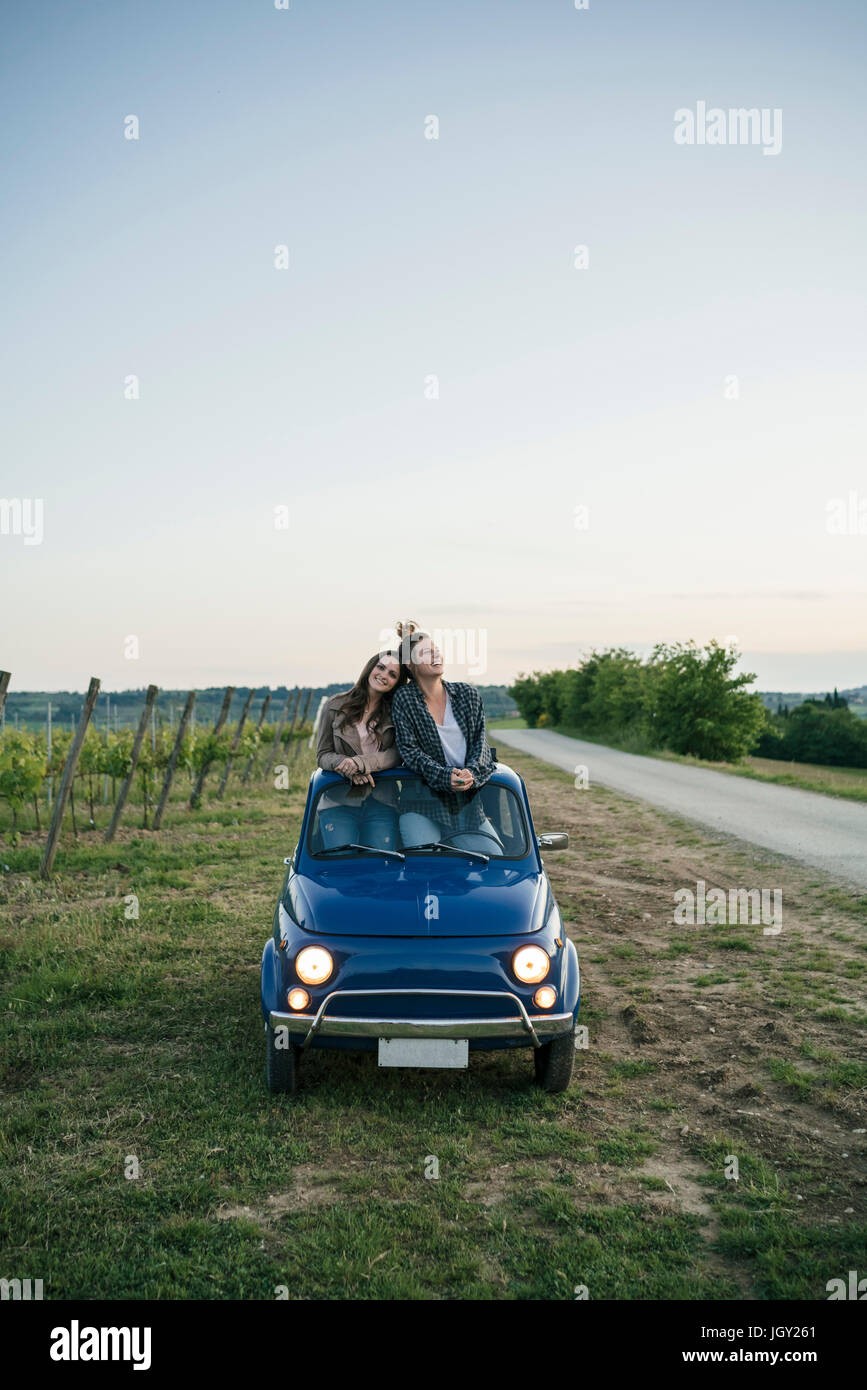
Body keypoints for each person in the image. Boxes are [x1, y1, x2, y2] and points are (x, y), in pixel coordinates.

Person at [390, 620, 494, 795]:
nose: (436, 655)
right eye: (426, 653)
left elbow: (480, 742)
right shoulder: (404, 698)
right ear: (409, 664)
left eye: (436, 650)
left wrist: (471, 772)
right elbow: (410, 751)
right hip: (423, 799)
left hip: (471, 797)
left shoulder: (467, 694)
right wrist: (444, 776)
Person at [316, 650, 405, 786]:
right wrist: (347, 767)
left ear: (396, 683)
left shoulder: (396, 713)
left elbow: (396, 755)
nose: (384, 675)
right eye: (381, 667)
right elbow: (323, 755)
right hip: (340, 794)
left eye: (392, 675)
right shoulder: (334, 706)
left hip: (383, 796)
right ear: (370, 668)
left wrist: (361, 763)